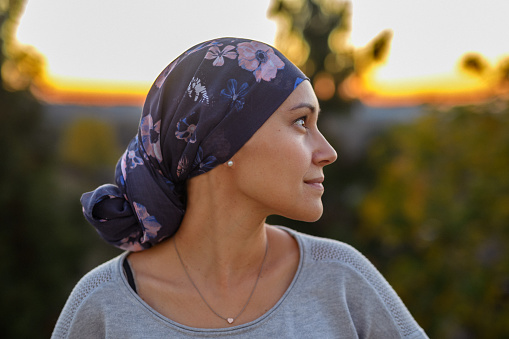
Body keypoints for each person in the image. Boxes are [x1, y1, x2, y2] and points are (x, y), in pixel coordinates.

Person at [52, 37, 428, 338]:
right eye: (301, 122)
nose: (327, 152)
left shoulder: (344, 280)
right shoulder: (102, 306)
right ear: (222, 143)